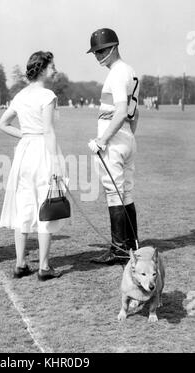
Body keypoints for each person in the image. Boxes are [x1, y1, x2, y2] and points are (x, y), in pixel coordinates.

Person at [0, 51, 67, 281]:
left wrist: (25, 135)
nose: (54, 70)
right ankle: (44, 267)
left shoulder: (20, 95)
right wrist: (56, 162)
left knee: (24, 205)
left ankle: (20, 264)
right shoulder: (47, 95)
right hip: (41, 152)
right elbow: (48, 130)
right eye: (52, 66)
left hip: (24, 153)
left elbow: (3, 123)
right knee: (45, 204)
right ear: (43, 68)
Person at [86, 28, 140, 265]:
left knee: (114, 192)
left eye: (103, 50)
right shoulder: (130, 71)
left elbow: (120, 111)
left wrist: (104, 139)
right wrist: (128, 136)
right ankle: (132, 245)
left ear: (115, 46)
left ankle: (118, 249)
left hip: (114, 138)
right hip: (127, 137)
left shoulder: (117, 73)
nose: (98, 55)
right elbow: (133, 113)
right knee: (125, 191)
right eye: (96, 52)